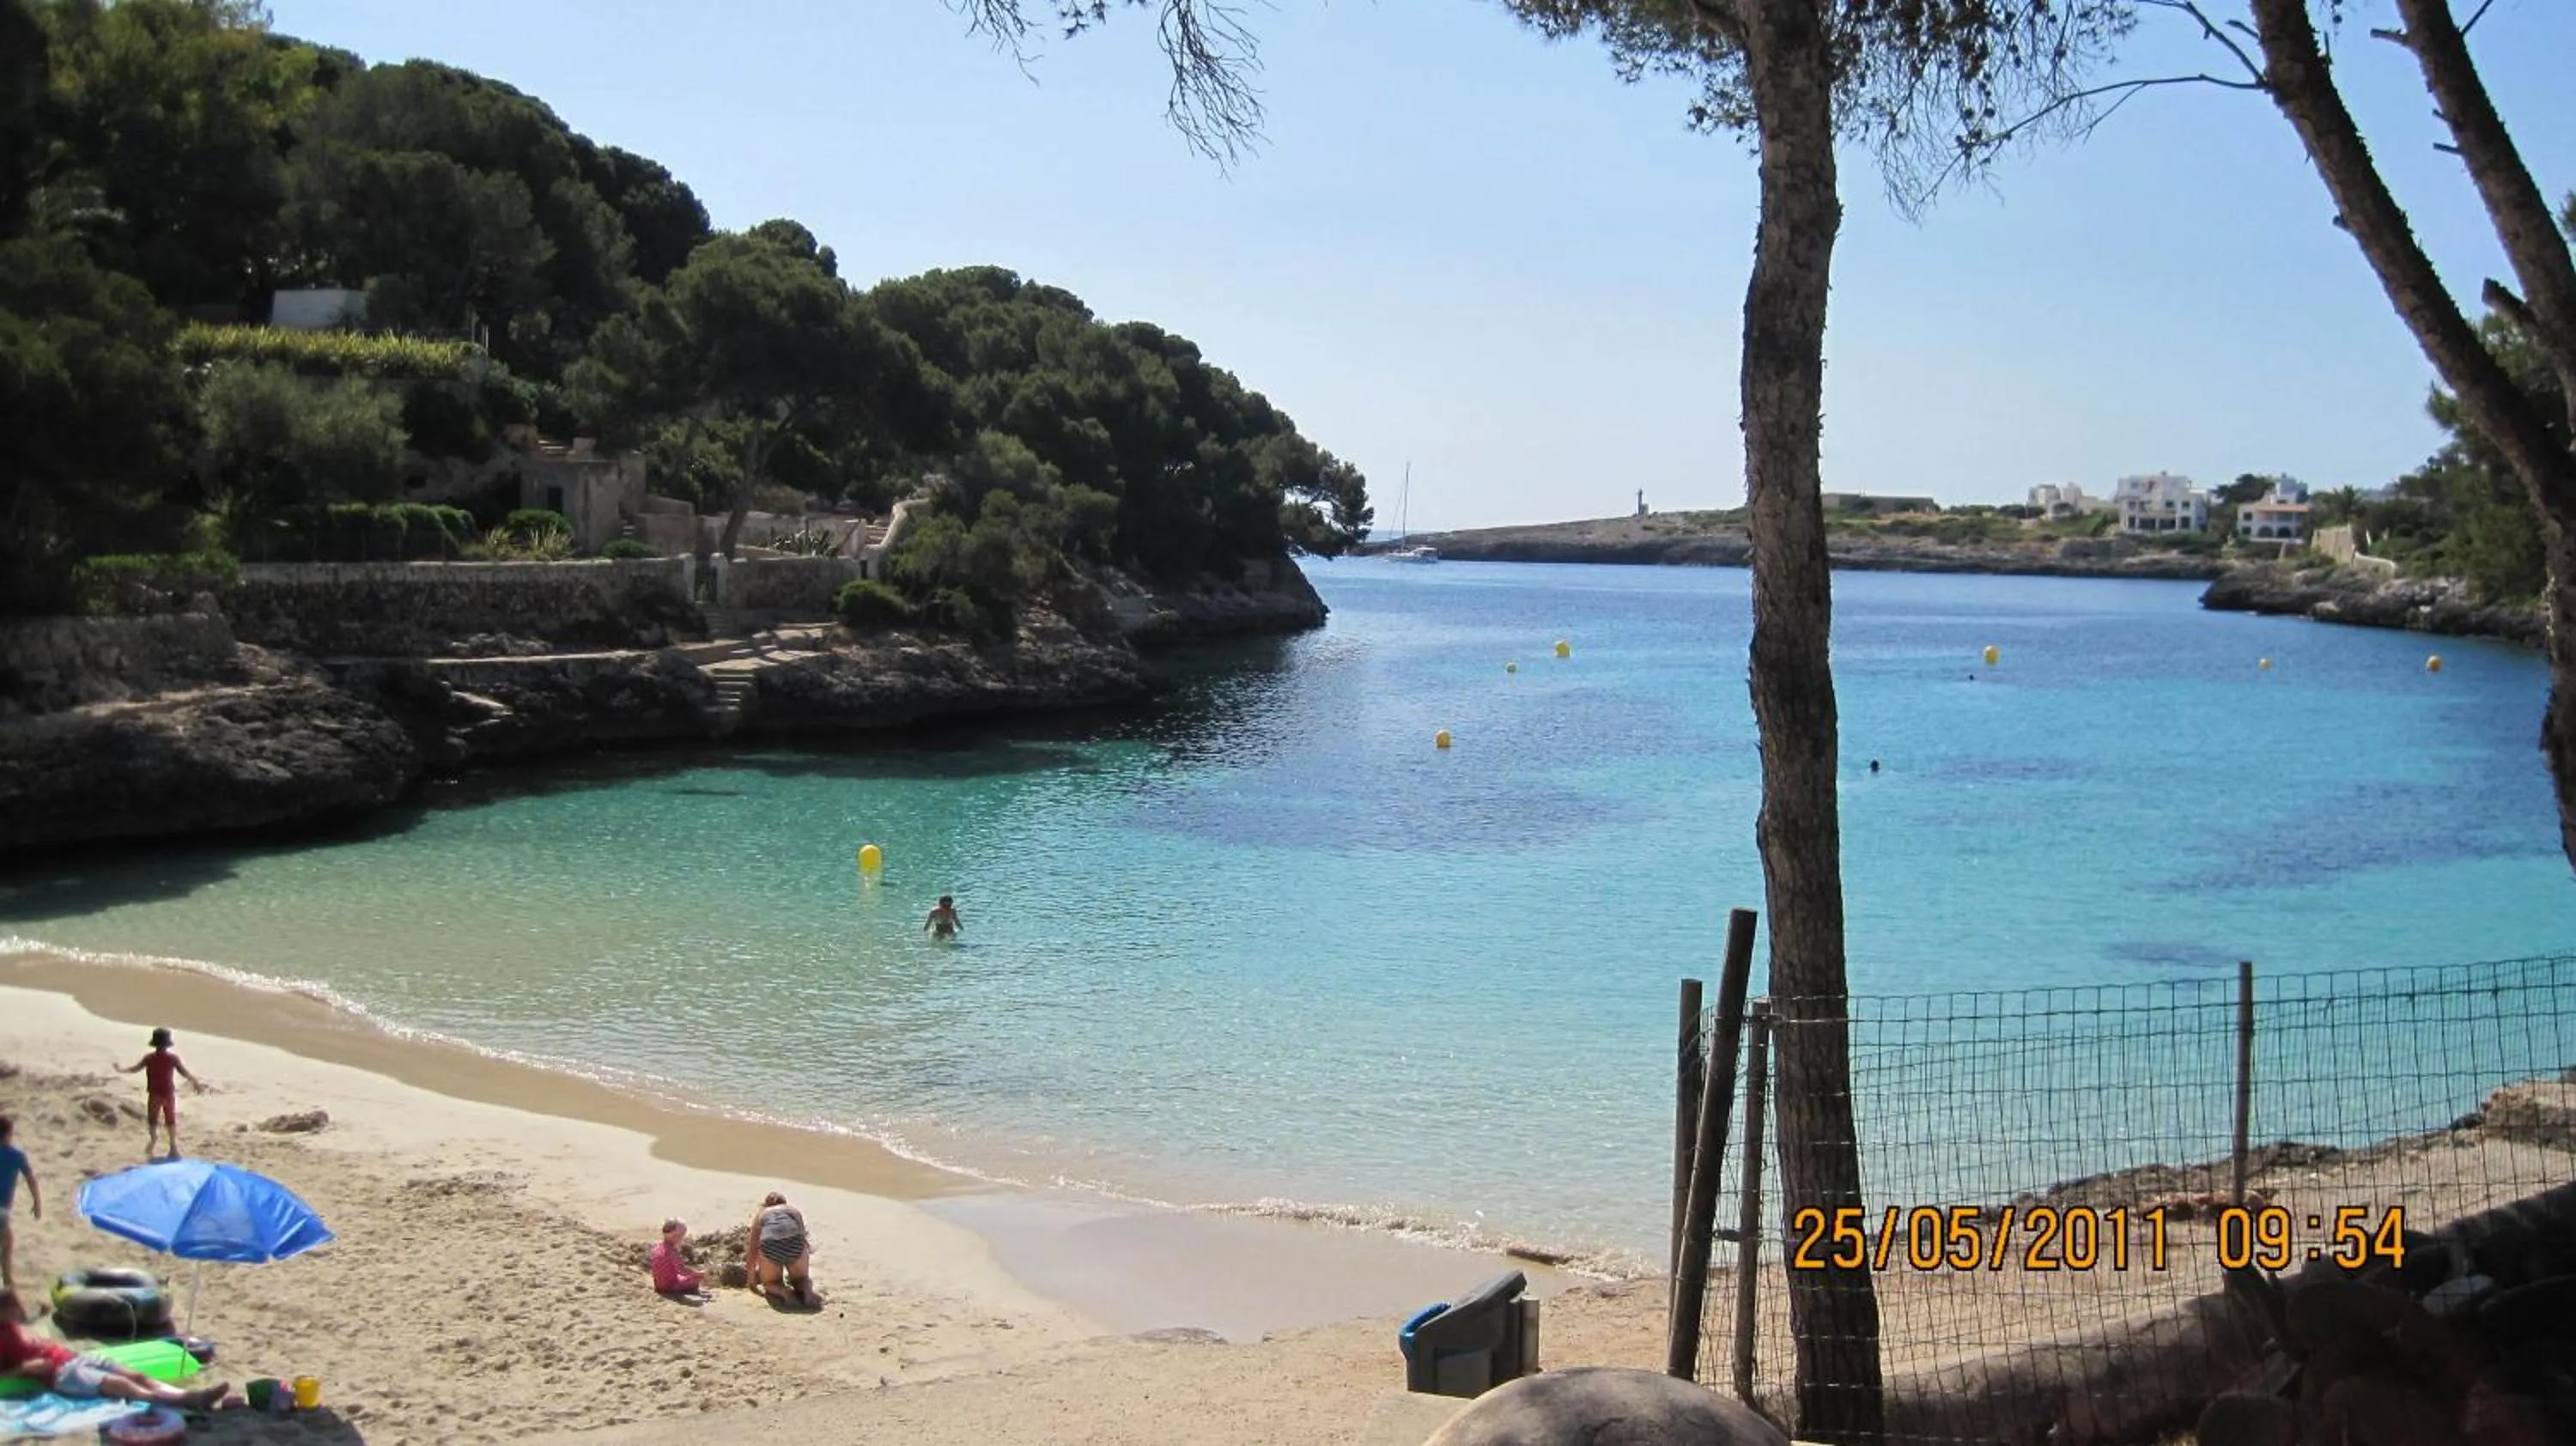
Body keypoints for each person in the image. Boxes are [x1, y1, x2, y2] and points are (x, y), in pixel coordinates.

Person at [0, 1289, 229, 1409]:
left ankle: (188, 1396)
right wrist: (25, 1367)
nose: (17, 1311)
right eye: (12, 1307)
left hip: (74, 1358)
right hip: (60, 1374)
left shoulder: (10, 1324)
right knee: (123, 1385)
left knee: (137, 1375)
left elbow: (28, 1317)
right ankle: (178, 1401)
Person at [118, 1028, 205, 1160]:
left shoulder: (149, 1058)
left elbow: (134, 1069)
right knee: (170, 1120)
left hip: (155, 1093)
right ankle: (173, 1146)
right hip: (168, 1092)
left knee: (153, 1120)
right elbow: (184, 1072)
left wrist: (121, 1070)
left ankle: (154, 1140)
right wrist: (196, 1083)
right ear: (167, 1044)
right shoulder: (172, 1058)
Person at [744, 1192, 817, 1308]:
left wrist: (751, 1280)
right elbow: (802, 1237)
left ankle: (786, 1294)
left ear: (765, 1205)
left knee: (771, 1283)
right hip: (795, 1243)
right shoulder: (793, 1210)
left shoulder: (762, 1214)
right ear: (784, 1203)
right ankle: (807, 1292)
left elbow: (753, 1250)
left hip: (771, 1245)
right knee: (801, 1279)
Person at [0, 1117, 36, 1293]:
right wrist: (37, 1202)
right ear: (6, 1135)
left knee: (7, 1241)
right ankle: (7, 1281)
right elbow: (31, 1179)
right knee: (6, 1244)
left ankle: (7, 1280)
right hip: (2, 1209)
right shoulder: (16, 1155)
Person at [650, 1218, 706, 1298]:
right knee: (697, 1278)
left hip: (659, 1284)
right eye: (678, 1236)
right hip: (669, 1286)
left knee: (684, 1276)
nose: (680, 1239)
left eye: (681, 1236)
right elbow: (682, 1270)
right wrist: (698, 1273)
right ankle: (694, 1291)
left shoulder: (657, 1247)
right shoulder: (671, 1251)